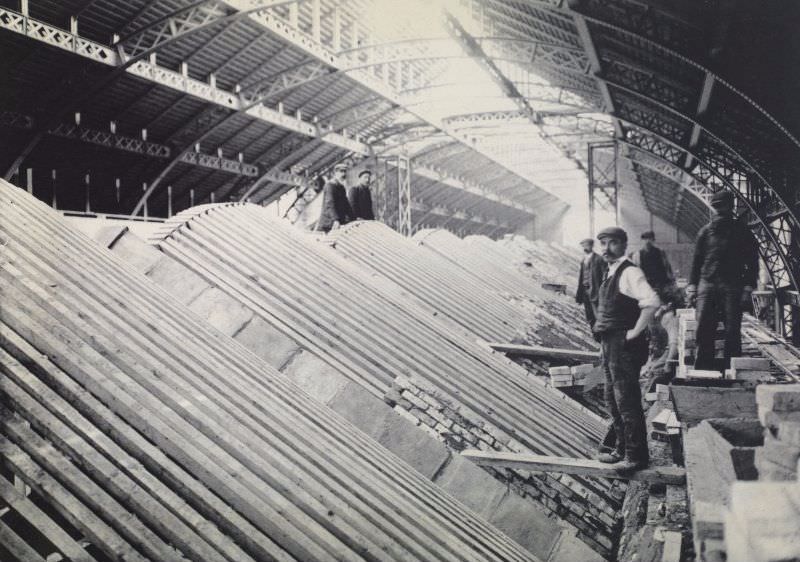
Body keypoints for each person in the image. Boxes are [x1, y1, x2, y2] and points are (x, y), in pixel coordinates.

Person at [593, 226, 661, 471]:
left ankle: (636, 456)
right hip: (610, 343)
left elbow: (652, 302)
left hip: (624, 345)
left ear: (623, 245)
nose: (606, 249)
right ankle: (621, 449)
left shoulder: (630, 272)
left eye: (612, 243)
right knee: (612, 399)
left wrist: (635, 331)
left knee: (627, 401)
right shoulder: (609, 272)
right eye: (602, 244)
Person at [686, 190, 759, 370]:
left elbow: (752, 261)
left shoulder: (743, 232)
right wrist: (692, 287)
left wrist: (748, 288)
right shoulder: (705, 232)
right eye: (716, 206)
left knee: (732, 330)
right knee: (704, 329)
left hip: (732, 284)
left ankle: (731, 370)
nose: (719, 210)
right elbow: (696, 261)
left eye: (722, 206)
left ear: (731, 206)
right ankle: (703, 370)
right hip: (707, 284)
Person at [630, 231, 676, 373]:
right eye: (645, 239)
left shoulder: (659, 253)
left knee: (658, 319)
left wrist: (668, 289)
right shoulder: (637, 255)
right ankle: (650, 348)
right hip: (644, 292)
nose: (648, 242)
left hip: (659, 290)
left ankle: (659, 347)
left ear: (653, 240)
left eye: (650, 239)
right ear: (642, 241)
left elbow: (667, 272)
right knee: (646, 320)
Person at [575, 238, 607, 330]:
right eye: (583, 245)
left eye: (586, 245)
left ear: (591, 246)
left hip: (595, 291)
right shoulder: (583, 260)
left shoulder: (599, 259)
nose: (584, 247)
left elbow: (605, 277)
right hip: (585, 291)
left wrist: (603, 292)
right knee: (589, 315)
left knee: (598, 314)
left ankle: (603, 336)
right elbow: (581, 277)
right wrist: (579, 293)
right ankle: (596, 335)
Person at [316, 162, 353, 233]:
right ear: (335, 173)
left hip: (337, 223)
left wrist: (353, 218)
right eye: (341, 171)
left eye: (345, 171)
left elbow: (346, 205)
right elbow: (330, 204)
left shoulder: (341, 187)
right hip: (328, 224)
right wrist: (335, 220)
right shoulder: (330, 185)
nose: (343, 174)